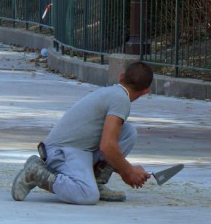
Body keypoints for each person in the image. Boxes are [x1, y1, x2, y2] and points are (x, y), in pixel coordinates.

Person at [11, 61, 154, 205]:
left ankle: (97, 182)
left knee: (128, 132)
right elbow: (107, 146)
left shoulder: (112, 92)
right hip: (62, 152)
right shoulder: (121, 99)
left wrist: (126, 171)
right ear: (145, 91)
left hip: (78, 149)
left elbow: (108, 143)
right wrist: (128, 170)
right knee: (87, 195)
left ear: (121, 76)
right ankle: (36, 173)